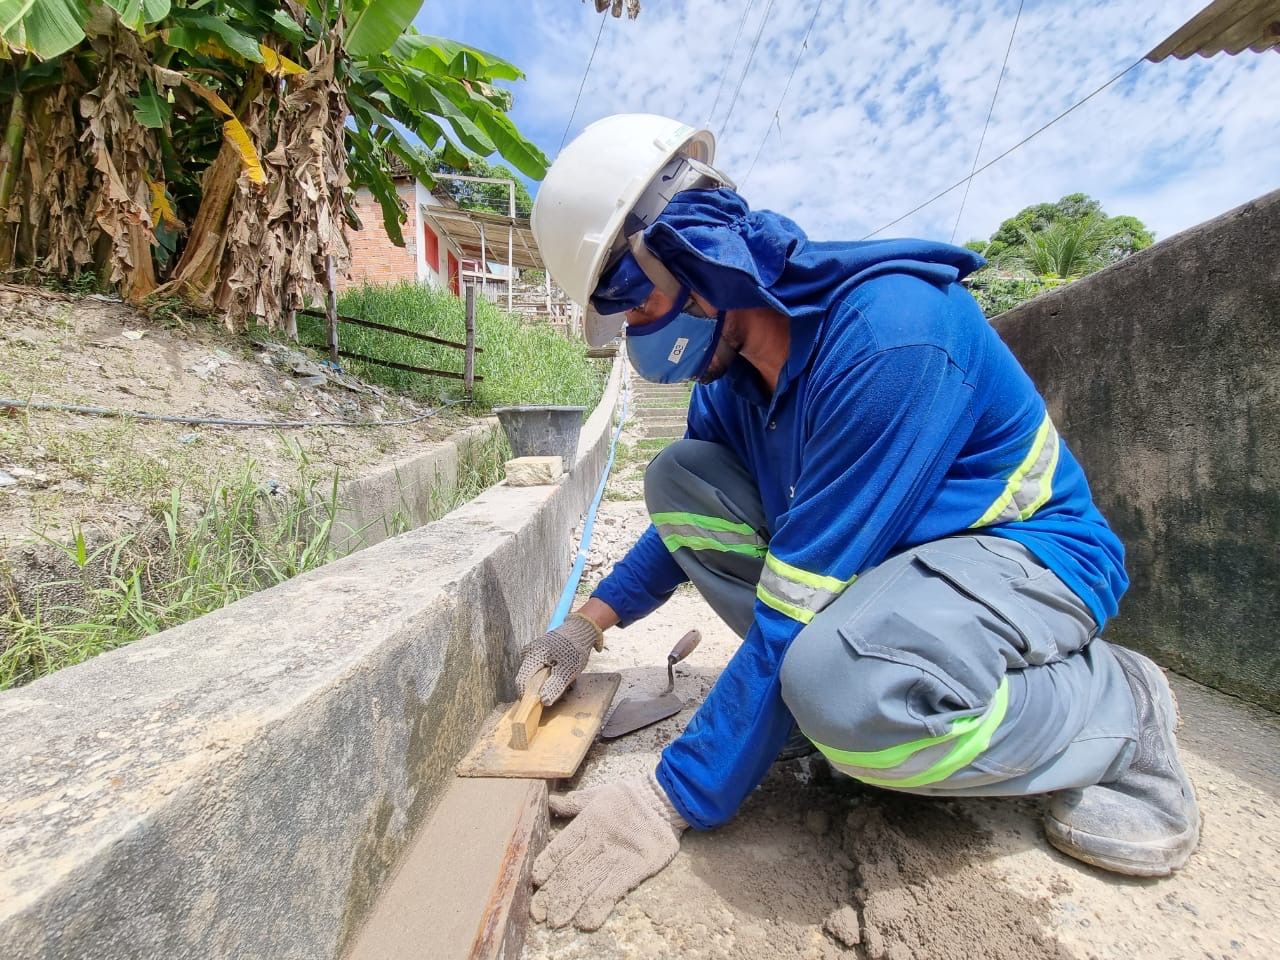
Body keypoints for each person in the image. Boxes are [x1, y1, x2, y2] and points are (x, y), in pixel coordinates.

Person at [519, 114, 1200, 932]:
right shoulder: (730, 388)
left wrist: (672, 795)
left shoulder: (890, 339)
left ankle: (1117, 707)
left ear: (692, 255)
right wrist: (588, 626)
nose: (637, 336)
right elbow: (682, 531)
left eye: (635, 303)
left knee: (843, 692)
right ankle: (834, 691)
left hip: (1030, 560)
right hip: (896, 571)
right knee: (680, 478)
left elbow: (793, 609)